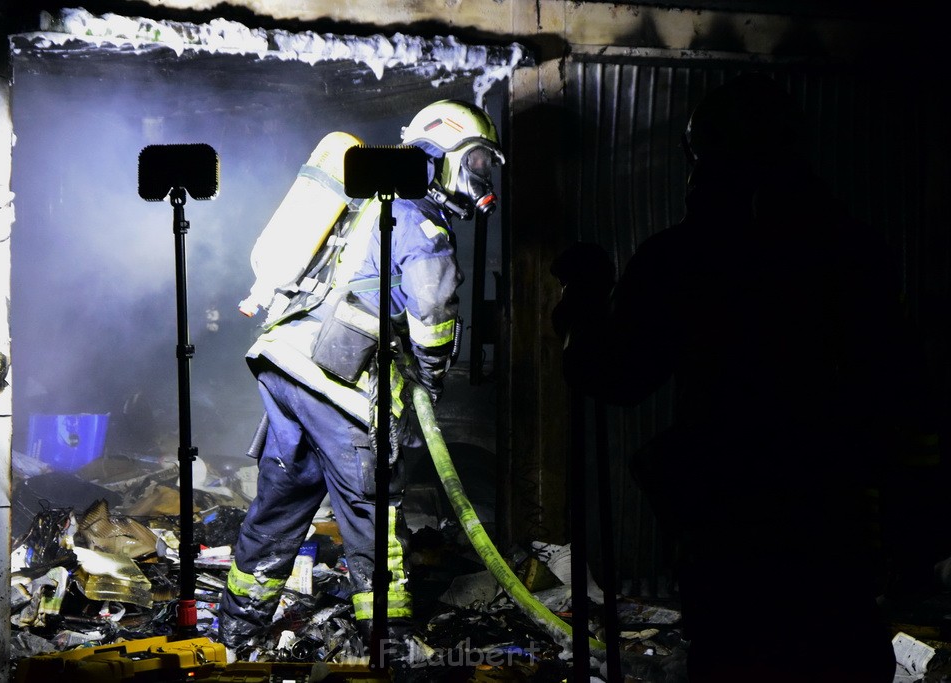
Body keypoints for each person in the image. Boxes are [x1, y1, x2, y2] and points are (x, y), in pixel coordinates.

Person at [552, 73, 942, 682]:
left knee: (735, 656)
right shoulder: (854, 250)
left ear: (701, 157)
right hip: (834, 523)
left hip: (729, 530)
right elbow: (905, 389)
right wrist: (912, 530)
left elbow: (614, 376)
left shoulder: (684, 258)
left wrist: (582, 301)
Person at [218, 100, 505, 665]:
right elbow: (433, 313)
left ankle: (234, 632)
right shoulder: (423, 220)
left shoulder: (367, 199)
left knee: (282, 500)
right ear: (439, 155)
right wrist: (431, 378)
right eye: (473, 164)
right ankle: (389, 646)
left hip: (285, 365)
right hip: (338, 381)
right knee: (372, 509)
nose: (479, 181)